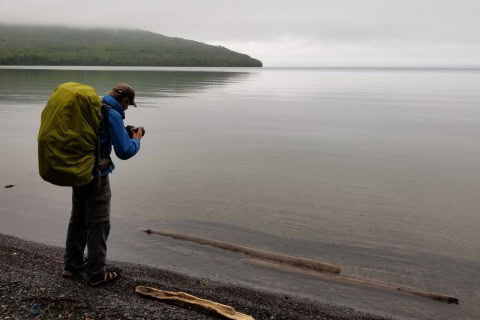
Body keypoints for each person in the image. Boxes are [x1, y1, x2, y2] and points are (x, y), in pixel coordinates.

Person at [62, 83, 144, 286]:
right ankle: (96, 273)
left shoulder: (92, 107)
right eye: (128, 106)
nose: (126, 109)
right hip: (97, 176)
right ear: (124, 101)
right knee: (99, 222)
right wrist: (137, 139)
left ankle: (71, 265)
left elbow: (100, 137)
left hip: (78, 170)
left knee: (78, 218)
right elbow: (124, 151)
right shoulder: (112, 114)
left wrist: (121, 132)